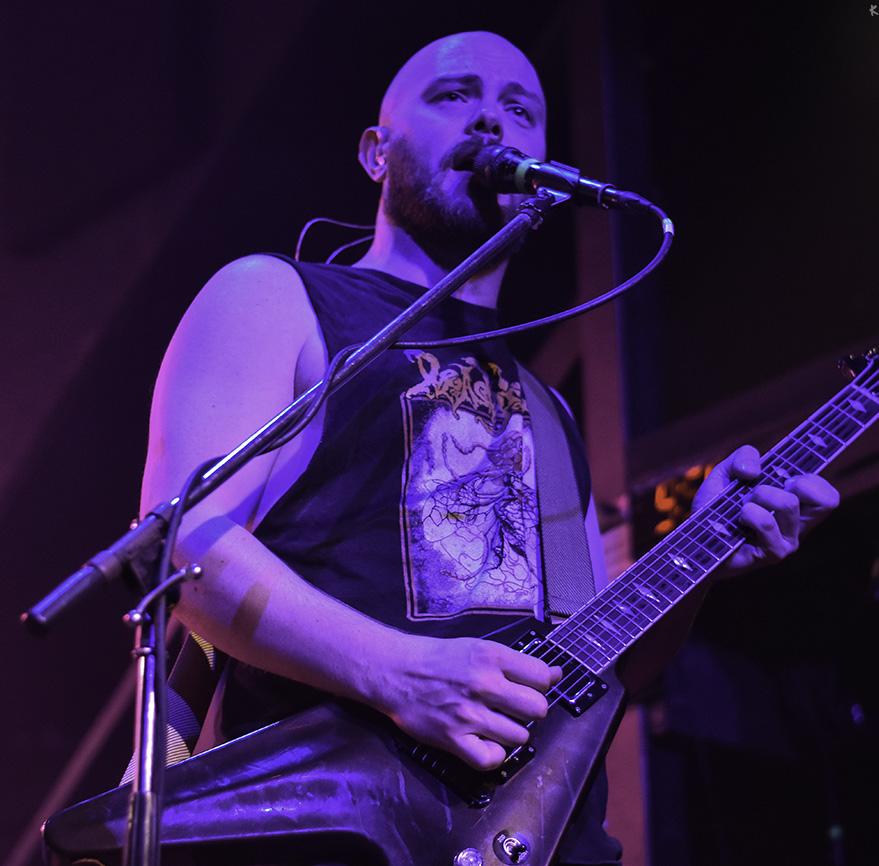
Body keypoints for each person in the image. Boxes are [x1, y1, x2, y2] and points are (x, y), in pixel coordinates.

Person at [140, 31, 839, 865]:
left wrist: (705, 550)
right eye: (453, 96)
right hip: (330, 829)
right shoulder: (277, 298)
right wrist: (399, 673)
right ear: (376, 151)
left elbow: (590, 672)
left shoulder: (550, 412)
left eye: (520, 109)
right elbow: (182, 547)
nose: (491, 120)